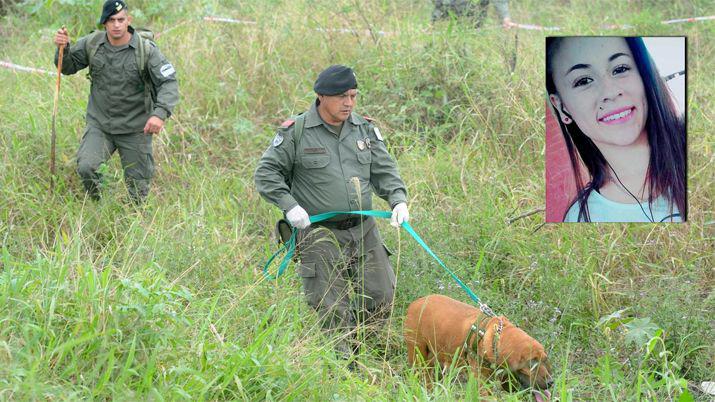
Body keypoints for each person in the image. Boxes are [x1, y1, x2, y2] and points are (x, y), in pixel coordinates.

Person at [254, 65, 409, 362]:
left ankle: (371, 356)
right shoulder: (297, 132)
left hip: (363, 230)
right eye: (341, 96)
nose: (348, 103)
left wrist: (397, 200)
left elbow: (384, 170)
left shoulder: (363, 128)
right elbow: (266, 174)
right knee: (330, 305)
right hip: (319, 233)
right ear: (321, 96)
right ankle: (342, 368)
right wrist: (290, 206)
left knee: (381, 295)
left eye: (353, 95)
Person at [546, 37, 685, 222]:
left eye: (620, 69)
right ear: (562, 107)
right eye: (583, 81)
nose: (610, 92)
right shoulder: (581, 218)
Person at [53, 0, 179, 203]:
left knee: (138, 189)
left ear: (128, 20)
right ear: (104, 23)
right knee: (87, 167)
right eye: (111, 20)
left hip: (136, 128)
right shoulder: (92, 44)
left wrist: (159, 114)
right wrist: (63, 48)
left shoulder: (145, 50)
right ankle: (100, 205)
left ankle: (134, 220)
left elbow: (169, 83)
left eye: (121, 20)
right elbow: (67, 67)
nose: (117, 25)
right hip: (100, 125)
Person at [432, 0, 513, 29]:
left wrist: (505, 17)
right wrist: (433, 22)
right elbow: (439, 5)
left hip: (474, 25)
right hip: (447, 24)